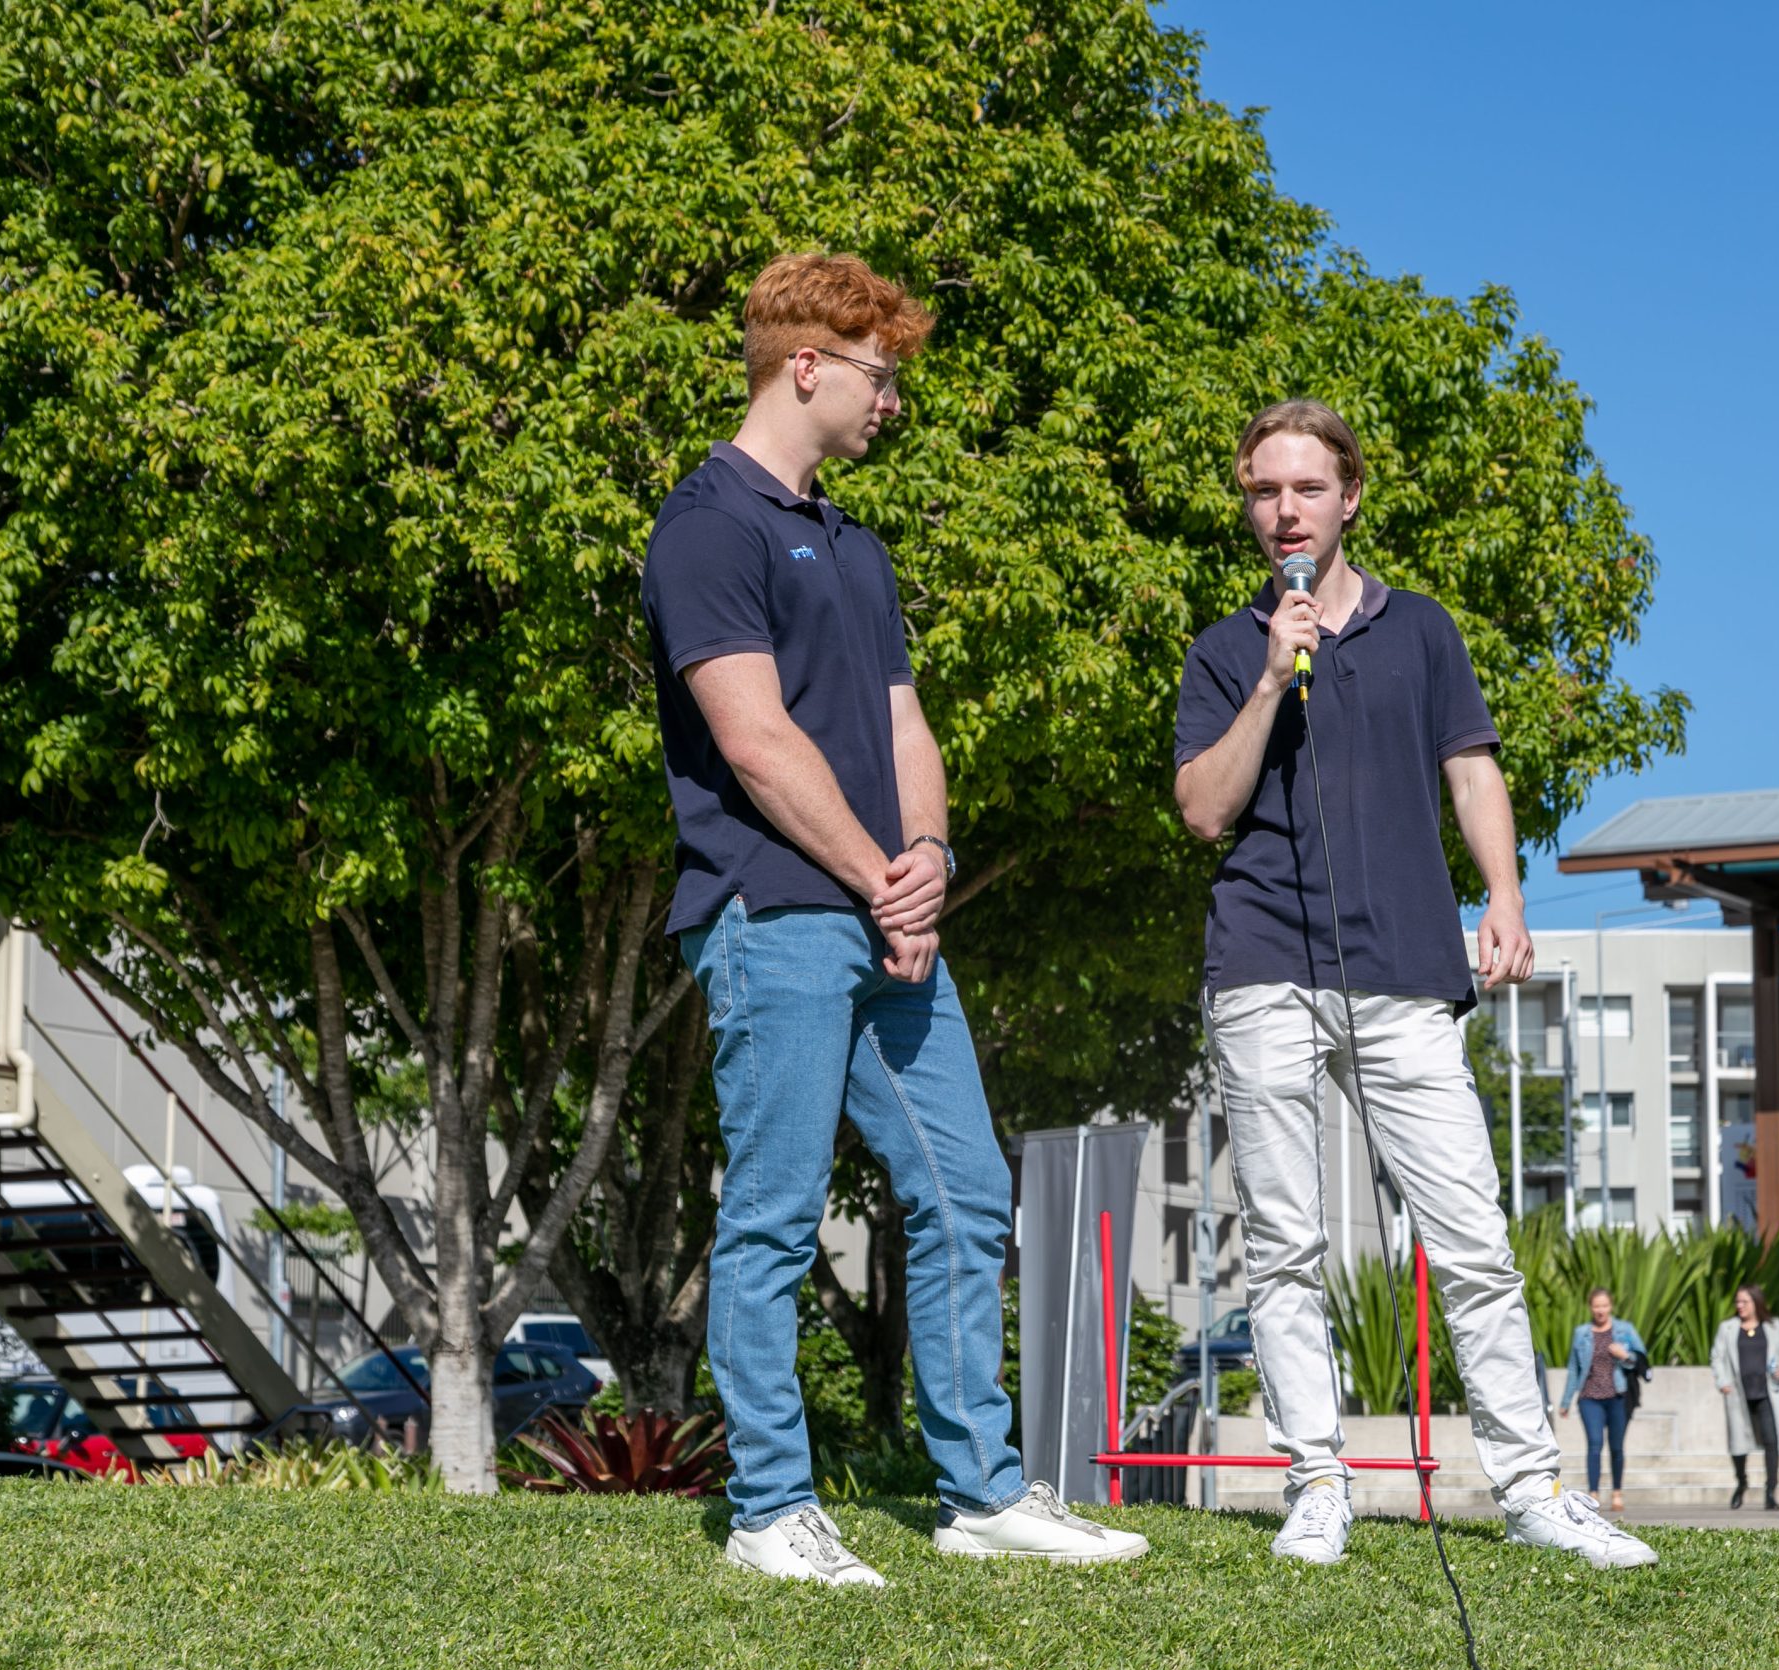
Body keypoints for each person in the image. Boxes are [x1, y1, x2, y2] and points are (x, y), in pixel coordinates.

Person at [641, 252, 1145, 1587]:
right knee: (774, 1210)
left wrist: (923, 858)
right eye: (880, 373)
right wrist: (879, 873)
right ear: (805, 363)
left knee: (968, 1191)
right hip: (779, 915)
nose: (893, 401)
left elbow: (902, 724)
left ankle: (979, 1492)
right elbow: (753, 738)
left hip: (883, 916)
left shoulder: (854, 545)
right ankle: (768, 1511)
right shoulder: (708, 525)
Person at [1171, 398, 1656, 1572]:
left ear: (1349, 498)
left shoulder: (1422, 629)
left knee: (1472, 1238)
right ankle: (1316, 1486)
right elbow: (1203, 809)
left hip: (1404, 970)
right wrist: (1269, 678)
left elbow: (1471, 769)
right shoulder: (1227, 648)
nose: (1283, 510)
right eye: (1262, 492)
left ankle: (1533, 1489)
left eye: (1304, 488)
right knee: (1283, 1247)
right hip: (1263, 969)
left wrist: (1505, 896)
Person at [1557, 1287, 1647, 1512]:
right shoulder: (1582, 1333)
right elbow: (1573, 1368)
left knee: (1617, 1447)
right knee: (1595, 1444)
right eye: (1596, 1306)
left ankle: (1617, 1493)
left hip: (1618, 1395)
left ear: (1611, 1306)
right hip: (1589, 1397)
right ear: (1590, 1307)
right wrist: (1566, 1401)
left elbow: (1642, 1357)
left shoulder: (1625, 1330)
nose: (1600, 1310)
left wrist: (1624, 1355)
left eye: (1604, 1306)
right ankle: (1593, 1494)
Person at [1708, 1282, 1779, 1511]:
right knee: (1738, 1444)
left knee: (1771, 1441)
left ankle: (1770, 1491)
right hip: (1738, 1393)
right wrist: (1723, 1382)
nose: (1740, 1305)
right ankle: (1742, 1482)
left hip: (1767, 1392)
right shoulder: (1728, 1328)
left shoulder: (1774, 1326)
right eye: (1737, 1302)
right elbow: (1717, 1357)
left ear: (1756, 1302)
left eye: (1744, 1301)